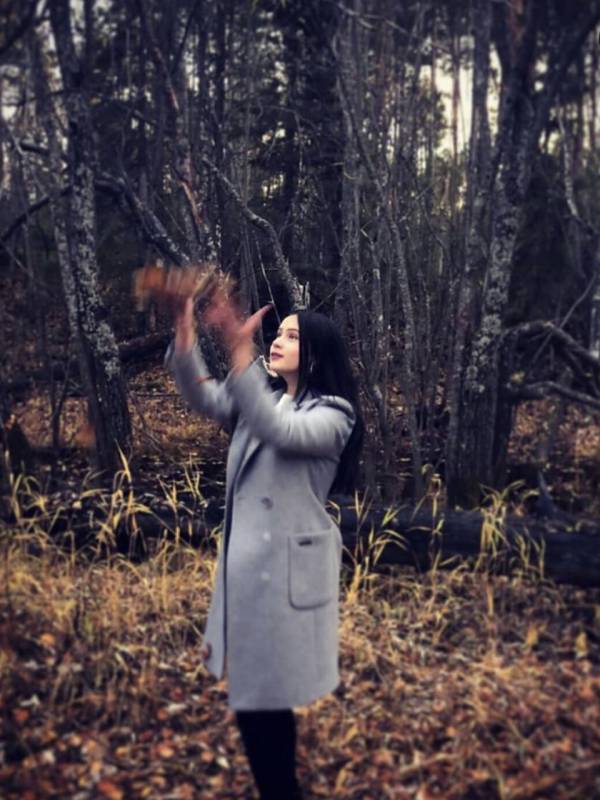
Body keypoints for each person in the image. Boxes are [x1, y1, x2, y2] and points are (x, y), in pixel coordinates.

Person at [165, 285, 364, 799]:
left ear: (316, 353)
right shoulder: (266, 397)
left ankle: (280, 790)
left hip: (288, 579)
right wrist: (186, 334)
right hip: (249, 571)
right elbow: (204, 397)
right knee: (261, 701)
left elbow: (281, 432)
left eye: (292, 336)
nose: (278, 340)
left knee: (262, 702)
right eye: (278, 332)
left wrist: (240, 354)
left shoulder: (335, 414)